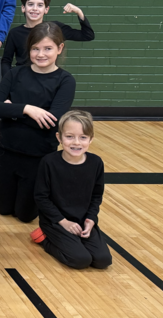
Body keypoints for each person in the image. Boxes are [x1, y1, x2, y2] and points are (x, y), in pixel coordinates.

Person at [0, 22, 76, 223]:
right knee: (3, 209)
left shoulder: (65, 81)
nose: (41, 54)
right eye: (35, 48)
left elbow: (51, 122)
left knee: (25, 216)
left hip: (38, 155)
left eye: (48, 48)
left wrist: (11, 110)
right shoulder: (15, 74)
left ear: (59, 48)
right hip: (7, 151)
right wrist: (28, 109)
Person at [32, 110, 112, 269]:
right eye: (69, 136)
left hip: (82, 220)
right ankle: (44, 239)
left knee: (103, 260)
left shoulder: (96, 163)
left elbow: (96, 196)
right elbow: (41, 197)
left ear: (91, 139)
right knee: (80, 260)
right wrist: (63, 222)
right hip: (55, 221)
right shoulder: (49, 162)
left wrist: (91, 219)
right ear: (59, 138)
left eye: (83, 137)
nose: (76, 143)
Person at [1, 0, 95, 73]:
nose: (35, 8)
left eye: (40, 5)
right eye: (30, 4)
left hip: (48, 77)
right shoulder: (15, 33)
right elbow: (6, 61)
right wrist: (9, 80)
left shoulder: (54, 28)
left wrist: (79, 12)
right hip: (22, 78)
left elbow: (87, 35)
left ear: (46, 9)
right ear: (23, 8)